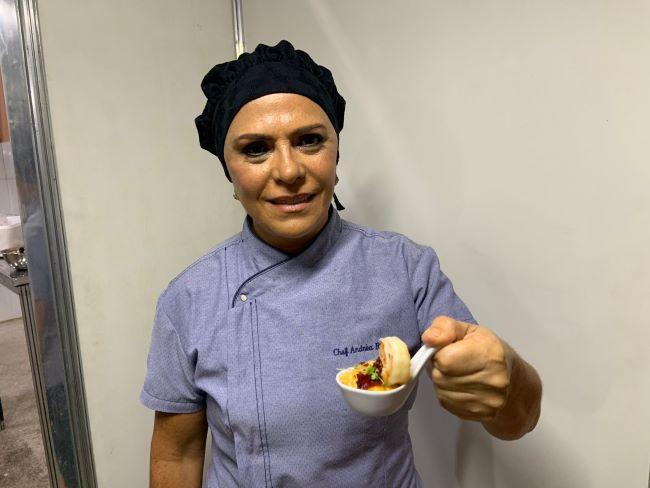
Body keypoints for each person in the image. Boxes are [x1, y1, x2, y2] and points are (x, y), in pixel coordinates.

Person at [140, 40, 542, 487]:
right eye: (255, 149)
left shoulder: (405, 268)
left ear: (336, 155)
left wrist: (508, 376)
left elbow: (517, 420)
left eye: (309, 140)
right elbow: (176, 455)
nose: (289, 171)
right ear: (229, 172)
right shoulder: (189, 298)